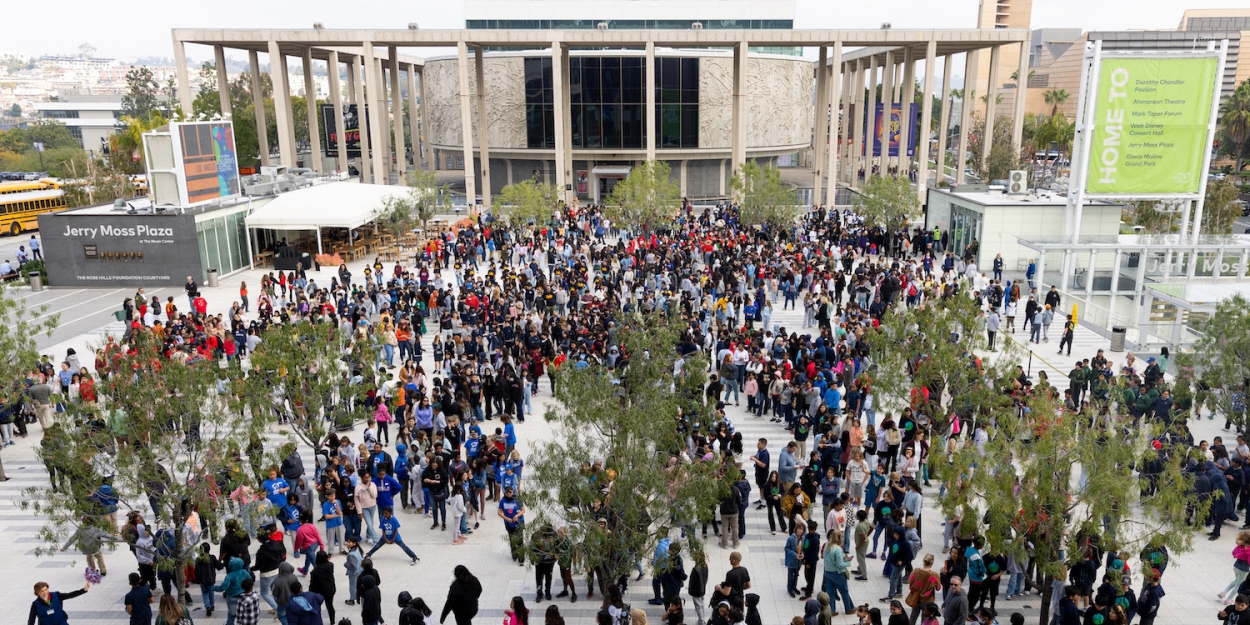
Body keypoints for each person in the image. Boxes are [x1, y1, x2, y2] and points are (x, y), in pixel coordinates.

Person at [213, 556, 249, 625]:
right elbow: (249, 580)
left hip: (232, 597)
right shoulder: (244, 572)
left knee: (232, 614)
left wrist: (213, 587)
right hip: (243, 596)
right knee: (243, 613)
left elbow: (223, 587)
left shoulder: (229, 576)